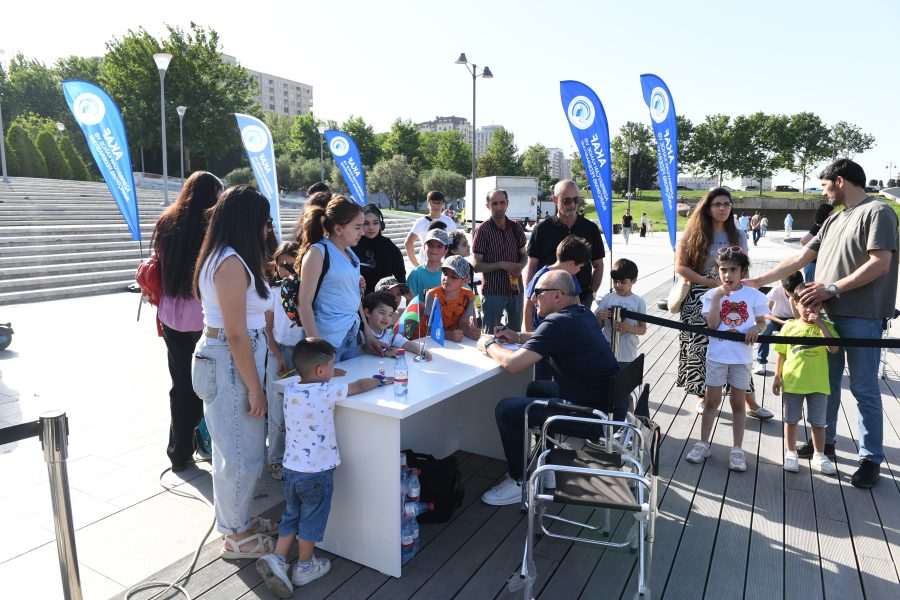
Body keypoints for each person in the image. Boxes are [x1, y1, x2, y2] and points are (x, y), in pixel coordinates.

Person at [745, 159, 899, 488]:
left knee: (863, 388)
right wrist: (757, 280)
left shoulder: (878, 213)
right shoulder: (832, 218)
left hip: (862, 317)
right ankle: (824, 443)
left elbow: (880, 263)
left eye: (826, 184)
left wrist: (831, 288)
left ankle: (870, 457)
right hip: (824, 318)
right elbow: (800, 258)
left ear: (840, 180)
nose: (824, 191)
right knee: (826, 386)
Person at [255, 338, 394, 597]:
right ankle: (305, 566)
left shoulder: (293, 389)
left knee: (292, 514)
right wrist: (379, 380)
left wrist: (330, 373)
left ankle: (279, 557)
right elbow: (359, 385)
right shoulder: (325, 392)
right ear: (320, 371)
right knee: (311, 518)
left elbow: (317, 381)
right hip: (316, 473)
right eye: (332, 366)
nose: (334, 369)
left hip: (291, 469)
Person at [477, 270, 619, 505]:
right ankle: (548, 465)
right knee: (538, 388)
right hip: (606, 405)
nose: (532, 299)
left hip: (591, 417)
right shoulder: (581, 313)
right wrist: (517, 336)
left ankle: (518, 480)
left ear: (557, 296)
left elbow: (513, 365)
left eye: (537, 293)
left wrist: (488, 343)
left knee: (506, 410)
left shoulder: (558, 322)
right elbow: (549, 337)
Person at [192, 185, 277, 558]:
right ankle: (236, 535)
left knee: (240, 449)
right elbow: (237, 333)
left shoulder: (227, 257)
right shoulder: (229, 263)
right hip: (231, 359)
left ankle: (239, 522)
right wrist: (255, 389)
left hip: (232, 357)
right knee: (240, 452)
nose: (267, 228)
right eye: (263, 221)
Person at [675, 187, 771, 419]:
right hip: (699, 296)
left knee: (738, 346)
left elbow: (744, 265)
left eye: (726, 204)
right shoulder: (694, 233)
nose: (722, 209)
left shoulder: (738, 234)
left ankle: (750, 402)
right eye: (717, 204)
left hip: (734, 296)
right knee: (700, 350)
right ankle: (702, 396)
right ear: (708, 207)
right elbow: (681, 267)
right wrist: (708, 282)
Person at [151, 171, 222, 472]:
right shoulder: (213, 225)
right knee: (210, 386)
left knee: (181, 385)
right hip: (203, 316)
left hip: (170, 314)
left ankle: (178, 452)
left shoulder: (166, 222)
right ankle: (209, 446)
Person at [685, 248, 768, 472]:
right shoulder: (711, 295)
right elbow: (712, 325)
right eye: (723, 270)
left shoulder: (754, 296)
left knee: (738, 403)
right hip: (717, 356)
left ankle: (737, 448)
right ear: (717, 271)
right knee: (711, 401)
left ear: (743, 271)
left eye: (733, 269)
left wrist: (754, 327)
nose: (728, 275)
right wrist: (717, 299)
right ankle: (703, 443)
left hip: (741, 358)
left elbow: (762, 322)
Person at [295, 195, 372, 362]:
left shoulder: (349, 253)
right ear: (338, 229)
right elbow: (304, 304)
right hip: (327, 340)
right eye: (358, 227)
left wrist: (367, 331)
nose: (363, 232)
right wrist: (319, 351)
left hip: (349, 336)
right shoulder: (317, 252)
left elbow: (354, 296)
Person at [772, 292, 838, 475]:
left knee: (818, 423)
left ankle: (819, 454)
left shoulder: (827, 327)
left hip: (818, 383)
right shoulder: (789, 327)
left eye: (815, 305)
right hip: (793, 382)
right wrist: (777, 376)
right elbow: (781, 353)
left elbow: (833, 349)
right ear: (796, 304)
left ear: (822, 307)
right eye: (806, 304)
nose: (810, 309)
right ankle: (791, 452)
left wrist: (820, 323)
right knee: (791, 420)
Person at [525, 179, 604, 307]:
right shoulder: (542, 229)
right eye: (567, 200)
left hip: (581, 301)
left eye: (576, 200)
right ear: (555, 200)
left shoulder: (590, 229)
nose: (572, 204)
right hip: (548, 302)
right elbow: (532, 265)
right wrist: (530, 297)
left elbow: (598, 265)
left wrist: (591, 294)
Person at [264, 241, 305, 481]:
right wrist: (278, 357)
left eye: (292, 265)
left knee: (298, 408)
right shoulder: (272, 292)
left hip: (302, 352)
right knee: (277, 408)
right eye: (283, 265)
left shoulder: (304, 289)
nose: (287, 270)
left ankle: (294, 455)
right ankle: (275, 459)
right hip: (278, 352)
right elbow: (267, 330)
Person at [472, 189, 527, 332]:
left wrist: (519, 266)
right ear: (488, 206)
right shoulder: (482, 231)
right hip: (493, 291)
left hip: (516, 290)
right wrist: (501, 265)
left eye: (502, 203)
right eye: (494, 203)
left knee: (515, 335)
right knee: (490, 335)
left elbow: (524, 256)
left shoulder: (516, 227)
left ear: (507, 204)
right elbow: (476, 266)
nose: (499, 207)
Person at [523, 235, 590, 333]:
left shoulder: (572, 278)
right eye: (580, 267)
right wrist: (528, 333)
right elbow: (528, 306)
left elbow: (577, 304)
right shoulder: (541, 276)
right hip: (541, 330)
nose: (579, 270)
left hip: (563, 330)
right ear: (571, 264)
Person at [413, 255, 479, 342]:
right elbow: (430, 327)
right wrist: (447, 335)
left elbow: (464, 322)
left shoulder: (469, 296)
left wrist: (470, 331)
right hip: (423, 339)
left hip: (447, 340)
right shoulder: (432, 295)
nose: (447, 279)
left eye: (453, 277)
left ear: (465, 281)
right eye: (445, 274)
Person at [594, 258, 647, 362]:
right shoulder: (608, 298)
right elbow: (598, 327)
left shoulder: (638, 302)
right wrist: (599, 317)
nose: (618, 285)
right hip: (605, 351)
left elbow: (643, 329)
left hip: (626, 354)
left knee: (623, 377)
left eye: (623, 282)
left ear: (634, 280)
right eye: (615, 282)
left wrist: (628, 328)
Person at [753, 271, 803, 375]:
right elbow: (766, 313)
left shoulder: (801, 292)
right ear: (783, 286)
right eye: (789, 291)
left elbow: (799, 318)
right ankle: (761, 361)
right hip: (775, 318)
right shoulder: (776, 290)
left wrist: (792, 302)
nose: (793, 293)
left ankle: (791, 362)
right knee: (766, 329)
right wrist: (782, 322)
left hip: (792, 319)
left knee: (797, 332)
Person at [352, 204, 406, 295]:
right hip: (357, 301)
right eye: (366, 223)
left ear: (381, 225)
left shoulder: (389, 246)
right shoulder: (352, 245)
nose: (371, 227)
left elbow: (401, 278)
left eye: (375, 223)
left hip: (383, 302)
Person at [362, 292, 432, 358]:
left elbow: (406, 343)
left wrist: (421, 350)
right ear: (367, 312)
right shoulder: (360, 335)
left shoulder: (389, 334)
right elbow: (365, 347)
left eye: (390, 315)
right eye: (382, 313)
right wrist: (385, 352)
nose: (386, 318)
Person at [404, 191, 457, 267]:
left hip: (446, 264)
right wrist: (417, 266)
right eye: (433, 203)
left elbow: (456, 241)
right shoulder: (421, 222)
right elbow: (408, 243)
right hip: (426, 263)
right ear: (428, 204)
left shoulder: (449, 221)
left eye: (439, 203)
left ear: (443, 205)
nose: (436, 206)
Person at [406, 229, 449, 303]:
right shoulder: (415, 274)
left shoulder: (451, 275)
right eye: (430, 245)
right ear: (424, 247)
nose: (434, 249)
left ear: (446, 250)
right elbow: (412, 308)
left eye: (439, 246)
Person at [800, 203, 836, 282]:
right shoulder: (818, 227)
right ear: (825, 214)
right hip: (813, 265)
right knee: (811, 290)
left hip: (817, 265)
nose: (834, 215)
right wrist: (816, 253)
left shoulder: (823, 226)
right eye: (832, 213)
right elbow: (804, 241)